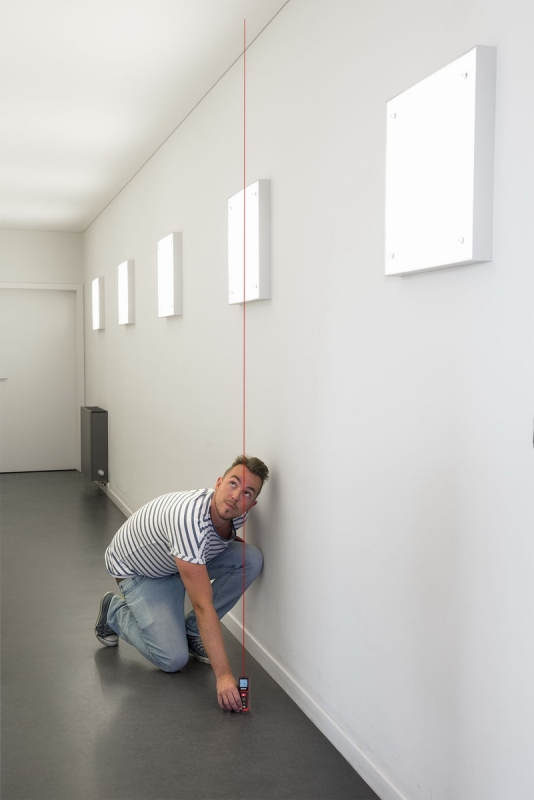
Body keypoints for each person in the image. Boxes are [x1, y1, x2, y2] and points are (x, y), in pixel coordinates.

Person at [95, 455, 268, 712]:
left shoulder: (236, 514)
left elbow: (221, 540)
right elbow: (202, 605)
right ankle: (114, 611)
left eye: (246, 493)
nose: (235, 496)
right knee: (172, 659)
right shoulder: (189, 521)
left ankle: (193, 632)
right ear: (218, 483)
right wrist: (224, 676)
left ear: (251, 504)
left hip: (174, 561)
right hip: (139, 570)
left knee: (250, 559)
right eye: (233, 483)